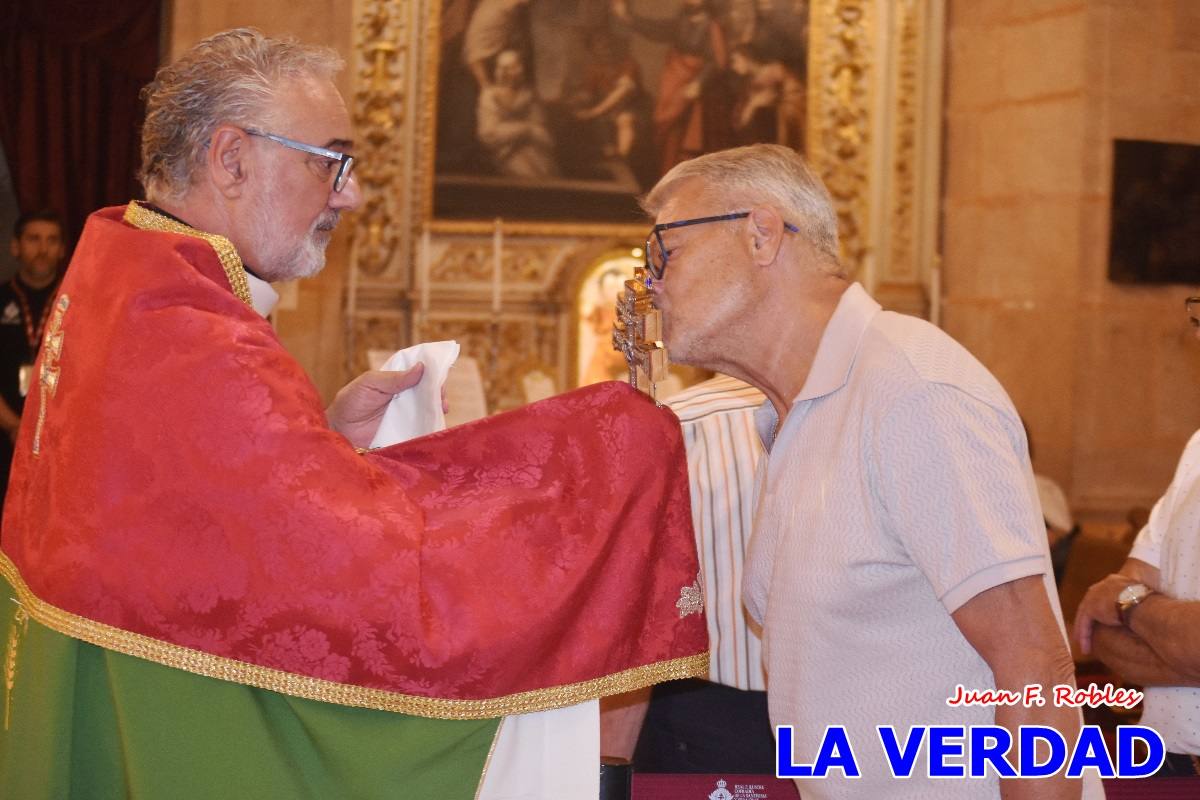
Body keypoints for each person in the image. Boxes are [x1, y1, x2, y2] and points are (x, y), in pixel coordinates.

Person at [0, 28, 707, 799]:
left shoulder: (128, 273)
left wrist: (327, 443)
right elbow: (373, 581)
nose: (351, 194)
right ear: (232, 159)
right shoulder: (188, 330)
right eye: (330, 161)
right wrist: (602, 458)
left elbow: (200, 526)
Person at [641, 143, 1097, 798]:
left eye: (666, 250)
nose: (652, 282)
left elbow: (1033, 661)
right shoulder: (792, 417)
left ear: (762, 234)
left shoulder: (911, 389)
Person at [1074, 295, 1200, 778]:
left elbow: (1119, 601)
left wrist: (1134, 604)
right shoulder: (1196, 451)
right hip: (1168, 766)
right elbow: (1102, 632)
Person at [632, 374, 775, 773]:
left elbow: (627, 614)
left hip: (699, 718)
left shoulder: (678, 425)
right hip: (706, 712)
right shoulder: (880, 412)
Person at [612, 0, 732, 174]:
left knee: (686, 131)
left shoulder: (712, 26)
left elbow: (718, 61)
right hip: (674, 78)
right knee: (666, 126)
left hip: (696, 86)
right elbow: (657, 29)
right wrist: (629, 18)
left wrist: (699, 82)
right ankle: (667, 171)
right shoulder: (681, 21)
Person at [0, 209, 65, 521]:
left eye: (51, 240)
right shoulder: (0, 298)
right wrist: (14, 425)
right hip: (4, 433)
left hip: (58, 441)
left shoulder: (77, 300)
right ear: (16, 246)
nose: (43, 249)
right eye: (34, 239)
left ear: (63, 249)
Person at [476, 49, 559, 178]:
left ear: (521, 69)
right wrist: (526, 129)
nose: (504, 72)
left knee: (543, 168)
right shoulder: (489, 96)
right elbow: (488, 134)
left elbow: (543, 134)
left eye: (511, 67)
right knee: (524, 168)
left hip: (535, 153)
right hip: (506, 155)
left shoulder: (529, 94)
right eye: (501, 67)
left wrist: (529, 131)